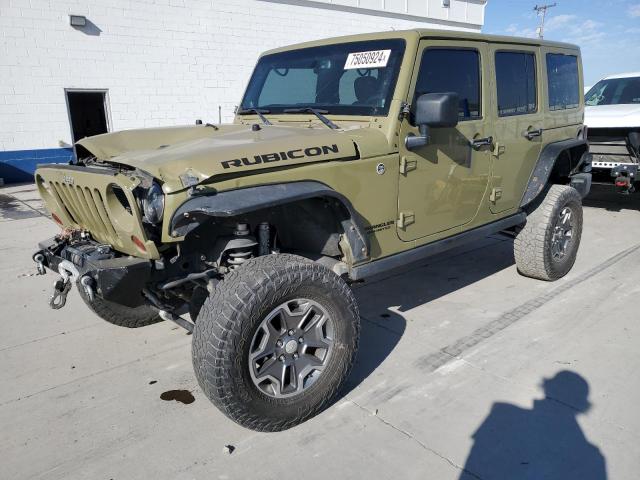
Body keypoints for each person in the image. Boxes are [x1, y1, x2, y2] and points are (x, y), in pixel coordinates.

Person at [460, 371, 607, 480]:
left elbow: (473, 464)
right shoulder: (591, 456)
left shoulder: (502, 414)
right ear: (581, 405)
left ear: (547, 388)